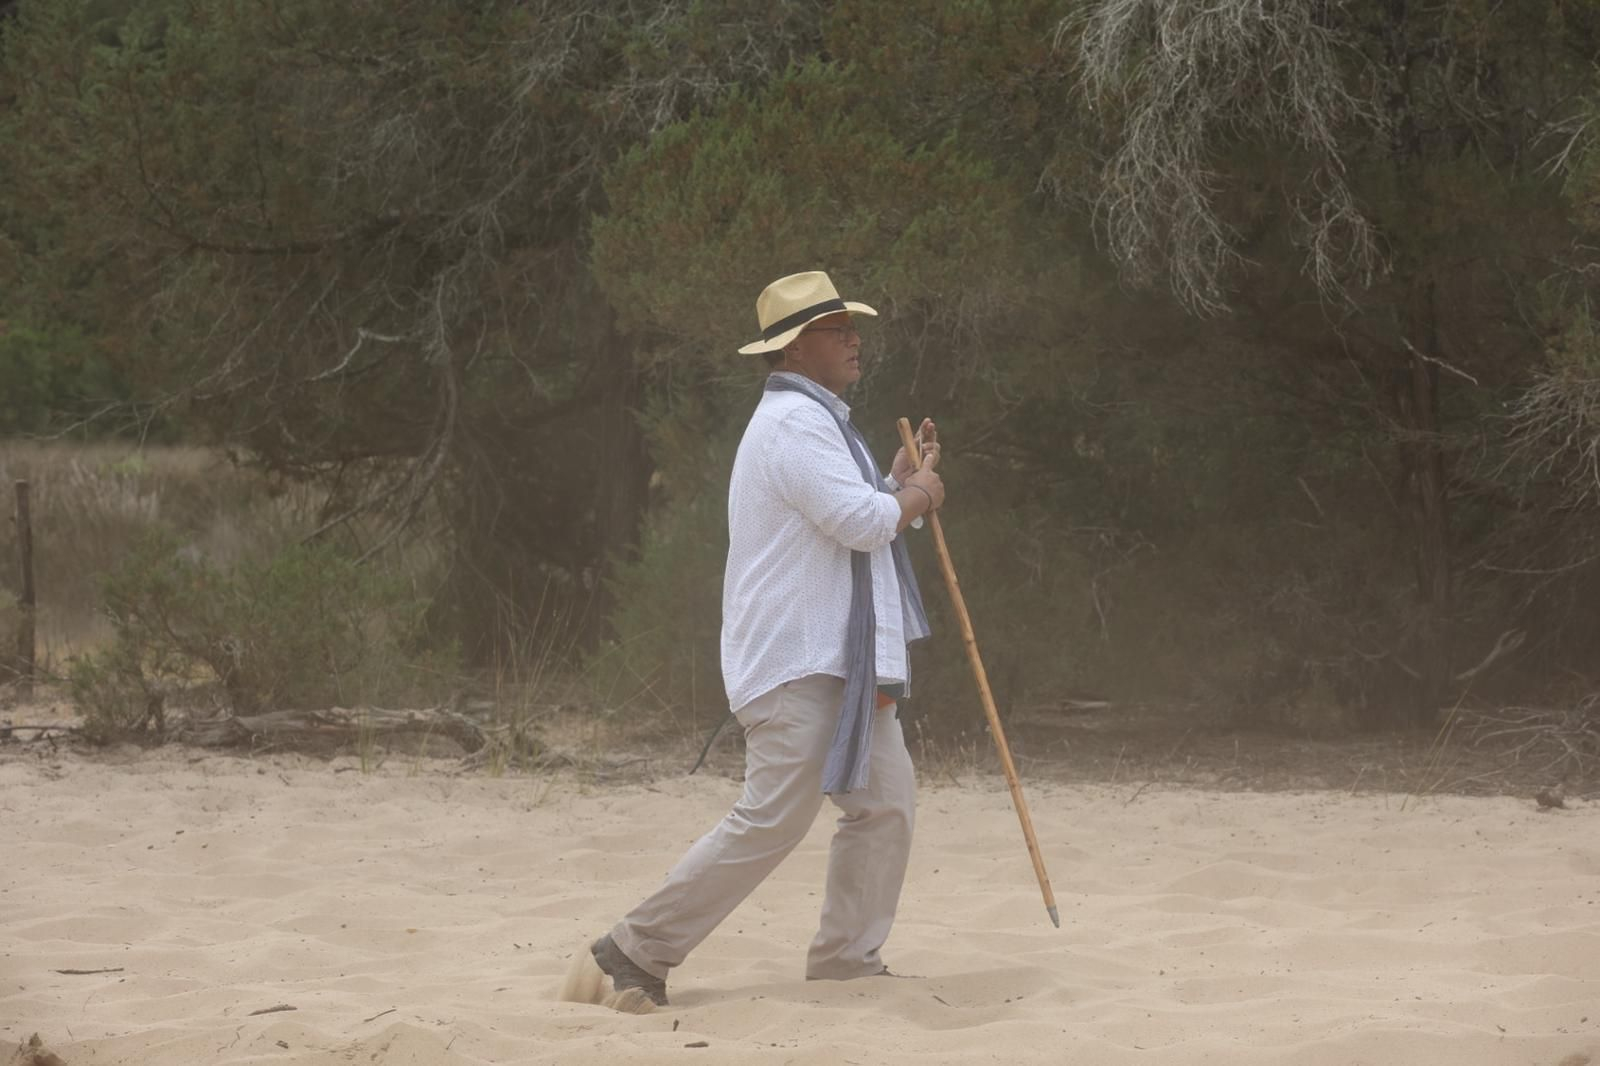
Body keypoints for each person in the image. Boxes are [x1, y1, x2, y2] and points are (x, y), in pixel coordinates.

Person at [587, 270, 946, 1007]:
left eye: (852, 326)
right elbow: (861, 524)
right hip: (795, 663)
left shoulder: (819, 422)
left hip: (836, 665)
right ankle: (633, 948)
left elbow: (848, 511)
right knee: (774, 819)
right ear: (791, 346)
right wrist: (917, 497)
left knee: (886, 804)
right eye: (836, 328)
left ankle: (848, 962)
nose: (853, 339)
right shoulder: (792, 424)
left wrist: (892, 482)